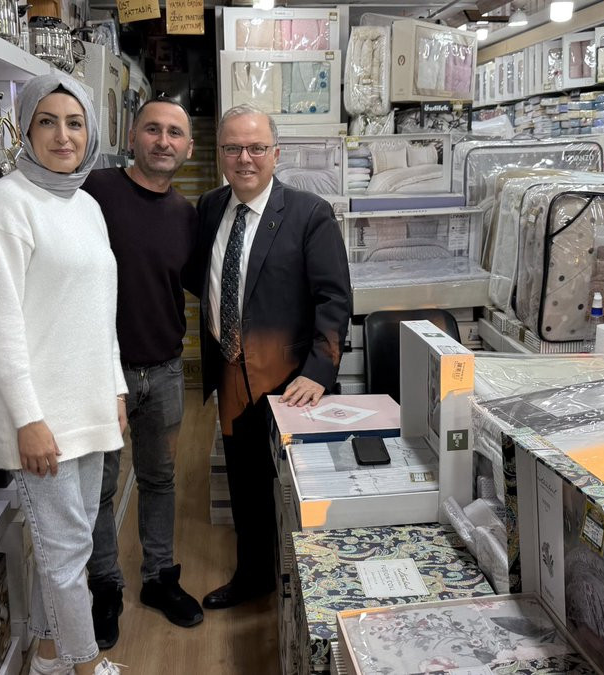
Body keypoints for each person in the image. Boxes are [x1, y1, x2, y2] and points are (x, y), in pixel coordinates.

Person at [0, 98, 203, 647]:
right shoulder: (91, 189)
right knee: (99, 494)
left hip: (163, 368)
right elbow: (16, 243)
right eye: (152, 129)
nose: (163, 141)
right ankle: (106, 586)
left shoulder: (185, 215)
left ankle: (159, 578)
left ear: (189, 148)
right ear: (131, 136)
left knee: (160, 479)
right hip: (96, 375)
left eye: (175, 133)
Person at [0, 72, 126, 675]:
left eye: (75, 123)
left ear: (90, 132)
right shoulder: (8, 200)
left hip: (88, 405)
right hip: (42, 417)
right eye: (48, 121)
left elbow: (100, 312)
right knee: (66, 551)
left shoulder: (87, 205)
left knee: (73, 544)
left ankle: (49, 656)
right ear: (26, 130)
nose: (63, 136)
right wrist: (28, 419)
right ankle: (86, 666)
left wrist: (114, 388)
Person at [191, 104, 352, 609]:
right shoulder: (209, 208)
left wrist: (320, 371)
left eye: (256, 148)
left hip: (291, 382)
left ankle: (313, 591)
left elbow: (334, 299)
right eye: (233, 148)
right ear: (220, 154)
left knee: (300, 491)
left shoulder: (309, 214)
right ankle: (254, 577)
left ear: (276, 154)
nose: (245, 158)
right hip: (232, 376)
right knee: (246, 485)